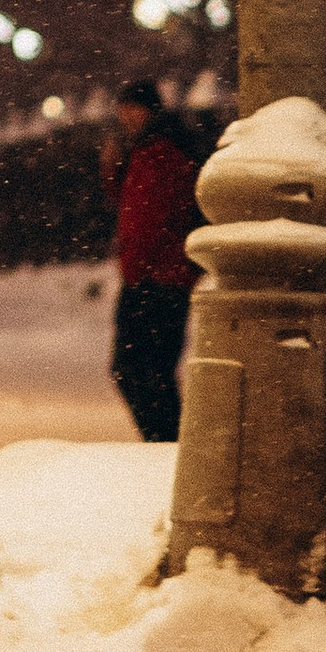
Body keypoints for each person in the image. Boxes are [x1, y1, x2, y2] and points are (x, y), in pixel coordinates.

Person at [102, 76, 202, 444]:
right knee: (148, 371)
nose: (126, 116)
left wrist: (138, 269)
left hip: (156, 279)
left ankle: (166, 445)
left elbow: (150, 218)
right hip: (158, 276)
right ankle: (166, 444)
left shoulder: (160, 152)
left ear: (148, 110)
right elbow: (132, 207)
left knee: (140, 371)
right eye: (123, 109)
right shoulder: (150, 149)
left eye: (132, 108)